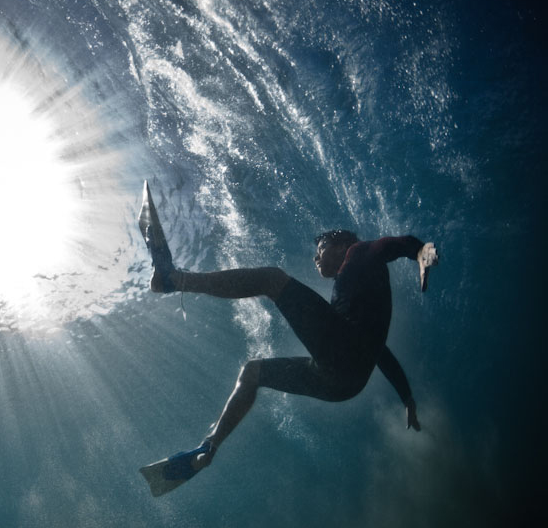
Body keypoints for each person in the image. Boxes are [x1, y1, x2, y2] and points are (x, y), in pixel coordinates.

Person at [137, 182, 439, 494]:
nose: (315, 259)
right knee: (253, 372)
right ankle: (206, 450)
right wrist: (406, 396)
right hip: (345, 383)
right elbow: (379, 353)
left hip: (342, 359)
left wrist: (417, 250)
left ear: (338, 245)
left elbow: (390, 246)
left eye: (318, 251)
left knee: (272, 279)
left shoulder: (358, 252)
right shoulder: (355, 292)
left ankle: (174, 279)